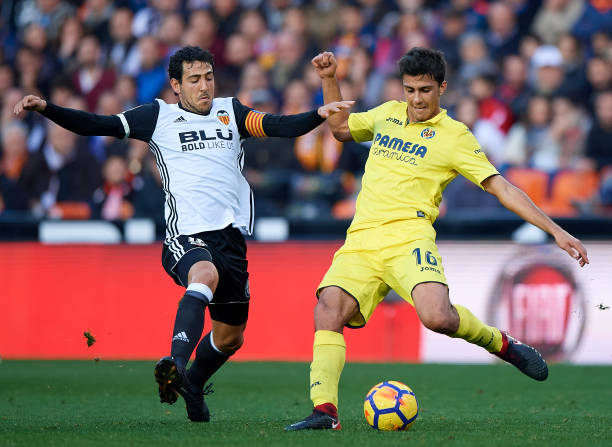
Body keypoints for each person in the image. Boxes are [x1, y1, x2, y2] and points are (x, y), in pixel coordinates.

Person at [13, 46, 352, 423]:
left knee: (229, 338)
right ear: (176, 85)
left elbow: (276, 125)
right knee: (204, 275)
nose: (204, 86)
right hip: (186, 235)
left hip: (231, 240)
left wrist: (317, 115)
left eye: (208, 77)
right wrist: (48, 109)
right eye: (194, 79)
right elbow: (98, 123)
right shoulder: (157, 116)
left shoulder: (231, 112)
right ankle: (173, 365)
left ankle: (190, 382)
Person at [285, 48, 589, 431]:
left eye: (425, 90)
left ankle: (503, 344)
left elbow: (502, 188)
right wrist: (330, 78)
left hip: (410, 237)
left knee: (438, 317)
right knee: (328, 310)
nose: (416, 99)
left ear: (442, 87)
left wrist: (556, 231)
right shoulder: (386, 113)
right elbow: (342, 129)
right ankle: (324, 411)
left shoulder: (455, 136)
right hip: (361, 237)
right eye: (410, 90)